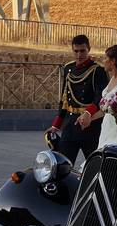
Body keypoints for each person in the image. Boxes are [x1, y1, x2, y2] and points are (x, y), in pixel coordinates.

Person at [46, 34, 110, 164]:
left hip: (90, 125)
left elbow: (100, 96)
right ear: (72, 50)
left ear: (89, 49)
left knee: (95, 165)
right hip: (70, 125)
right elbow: (65, 98)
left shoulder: (98, 70)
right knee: (63, 165)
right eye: (76, 51)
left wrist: (87, 113)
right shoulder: (69, 68)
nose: (79, 55)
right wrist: (56, 125)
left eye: (82, 51)